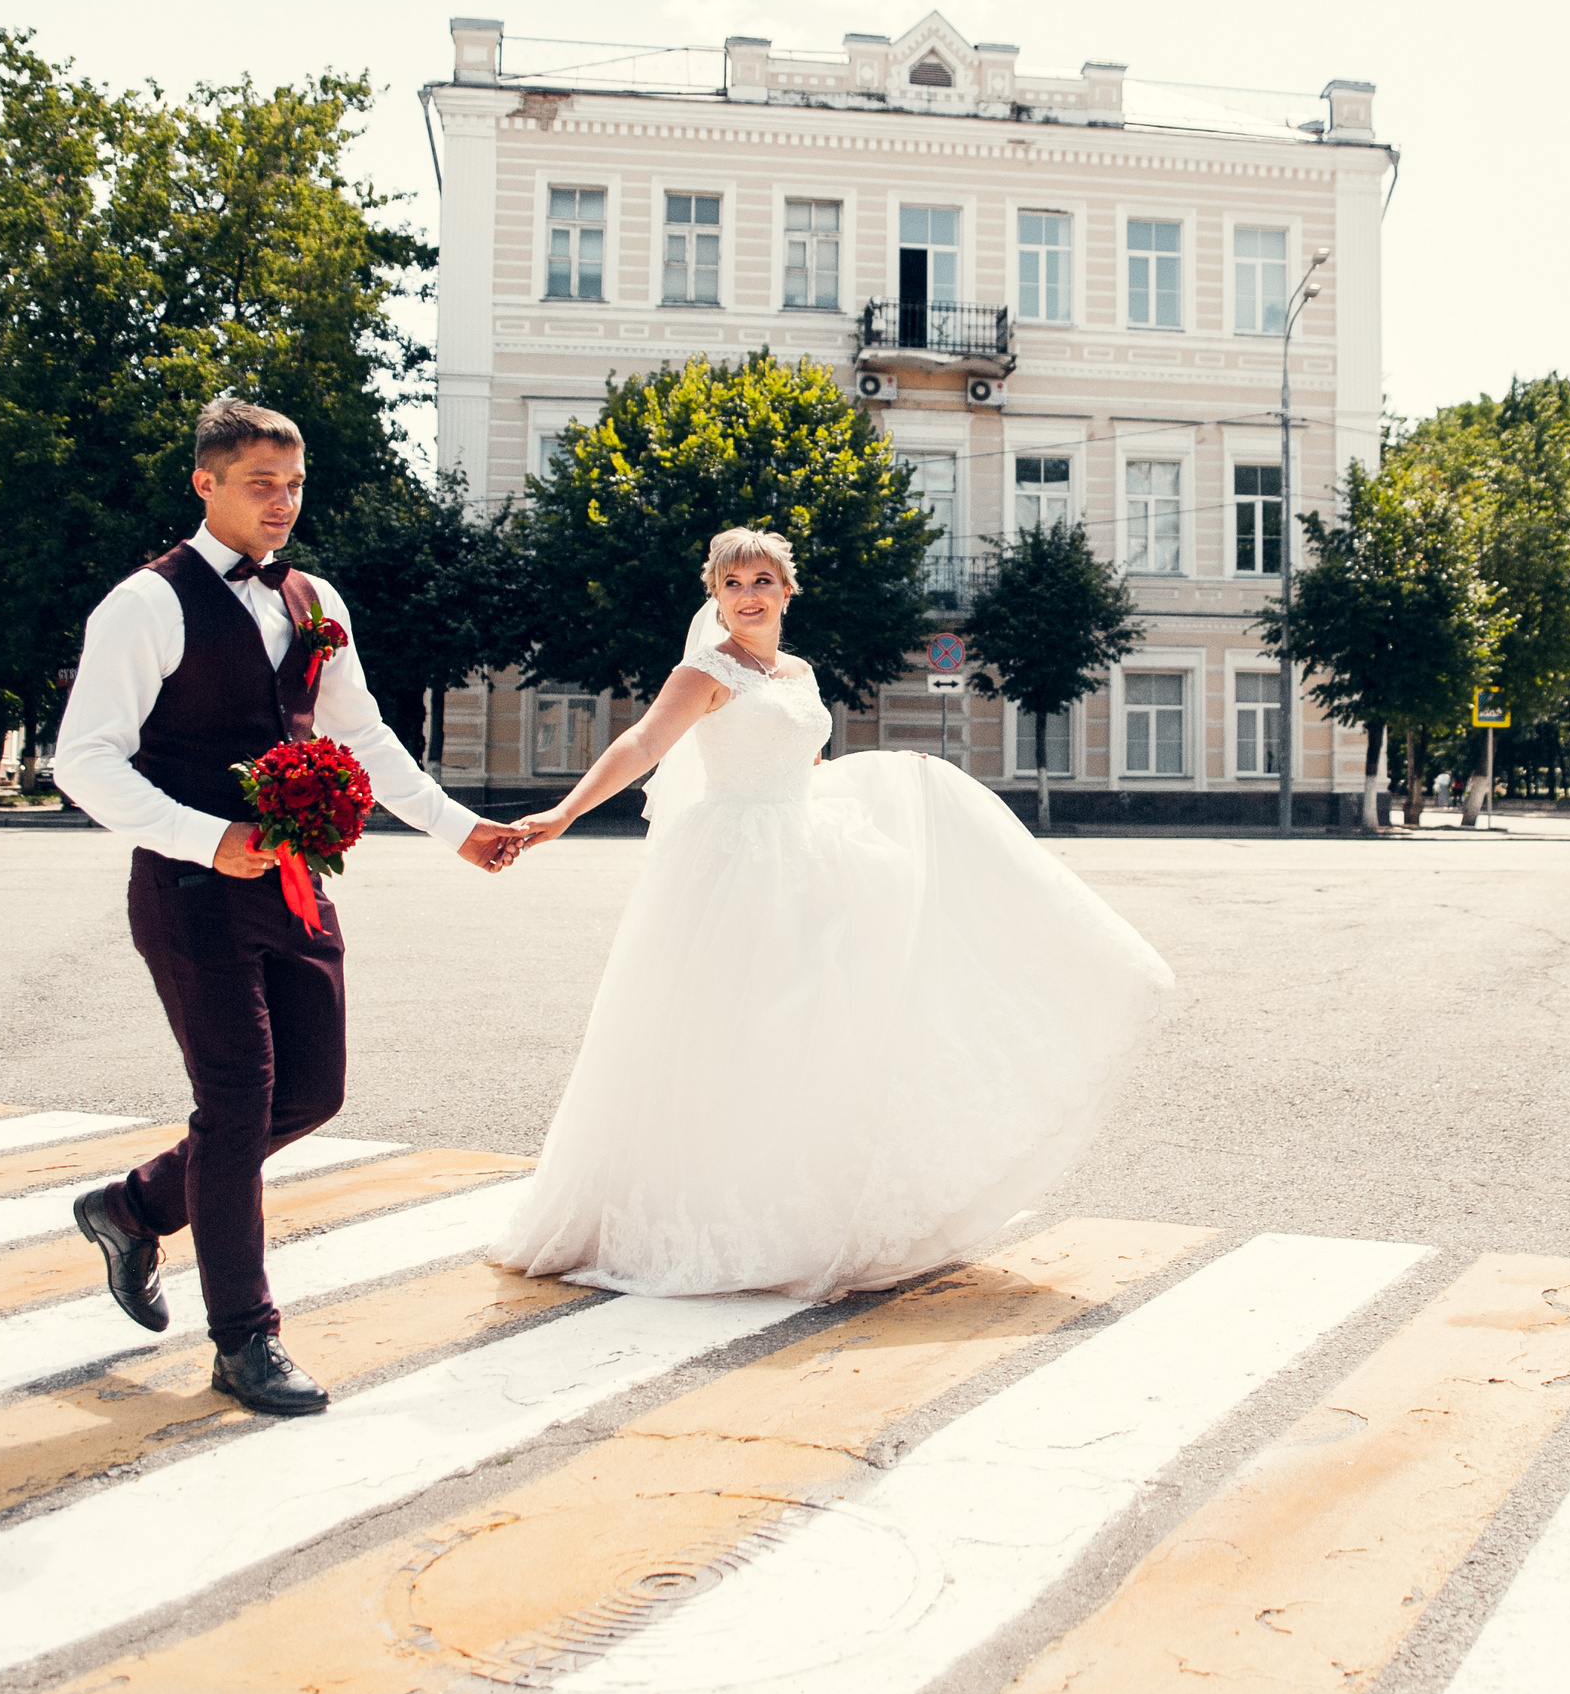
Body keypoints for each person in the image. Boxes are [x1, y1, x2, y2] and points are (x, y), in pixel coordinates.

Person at [492, 529, 1175, 1301]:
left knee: (816, 1035)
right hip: (734, 864)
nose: (747, 595)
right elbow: (645, 742)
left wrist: (899, 774)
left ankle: (800, 1202)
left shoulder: (801, 672)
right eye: (731, 583)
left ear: (788, 590)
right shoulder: (704, 671)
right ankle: (705, 1215)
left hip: (804, 850)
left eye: (762, 580)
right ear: (714, 596)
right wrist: (562, 812)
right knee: (733, 1038)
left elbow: (806, 770)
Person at [54, 397, 529, 1418]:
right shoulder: (145, 604)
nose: (282, 503)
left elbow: (361, 735)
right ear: (206, 484)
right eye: (261, 484)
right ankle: (245, 1340)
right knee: (234, 1108)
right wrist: (208, 836)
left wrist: (457, 829)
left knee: (311, 1095)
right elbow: (82, 760)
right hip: (189, 890)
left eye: (294, 483)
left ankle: (131, 1208)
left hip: (297, 883)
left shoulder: (314, 600)